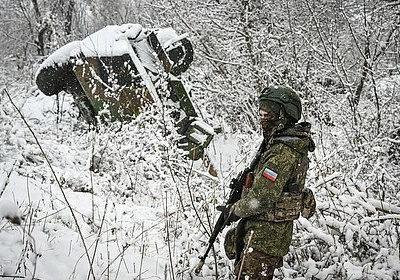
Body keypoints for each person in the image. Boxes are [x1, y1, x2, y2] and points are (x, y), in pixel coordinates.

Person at [224, 85, 316, 279]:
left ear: (285, 115)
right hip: (266, 236)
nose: (263, 118)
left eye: (270, 113)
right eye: (262, 112)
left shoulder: (282, 152)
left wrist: (234, 211)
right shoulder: (284, 143)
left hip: (264, 238)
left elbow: (263, 198)